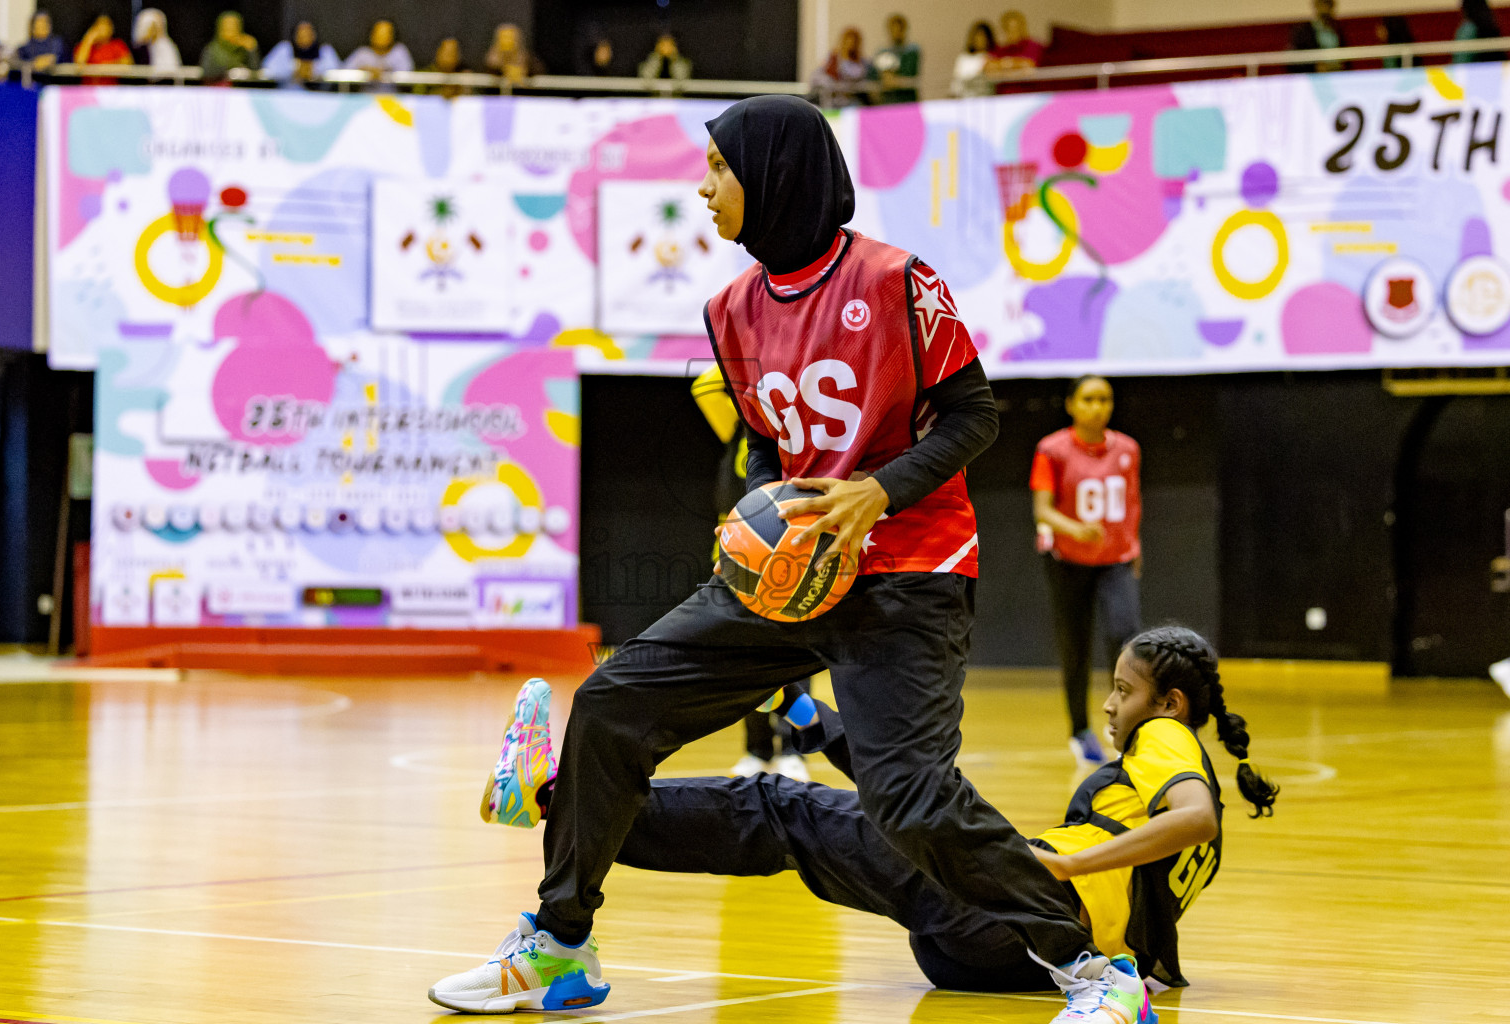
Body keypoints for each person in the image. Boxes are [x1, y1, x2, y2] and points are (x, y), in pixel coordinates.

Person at [428, 93, 1101, 1018]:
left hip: (909, 571)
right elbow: (762, 446)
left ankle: (1095, 971)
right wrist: (751, 512)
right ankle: (559, 946)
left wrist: (878, 490)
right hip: (783, 579)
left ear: (775, 173)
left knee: (905, 796)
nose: (703, 189)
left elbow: (975, 415)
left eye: (717, 169)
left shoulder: (900, 280)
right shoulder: (730, 310)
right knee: (613, 705)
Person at [482, 625, 1276, 1001]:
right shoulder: (1158, 764)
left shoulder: (1169, 737)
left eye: (1124, 690)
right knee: (910, 799)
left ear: (1169, 703)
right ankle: (801, 714)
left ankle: (555, 799)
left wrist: (1066, 865)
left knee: (783, 808)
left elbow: (1196, 816)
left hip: (1010, 917)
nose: (1110, 704)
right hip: (991, 950)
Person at [690, 364, 811, 784]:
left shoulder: (806, 432)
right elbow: (706, 383)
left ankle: (798, 749)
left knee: (797, 657)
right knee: (745, 655)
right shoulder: (737, 428)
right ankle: (756, 749)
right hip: (735, 553)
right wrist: (752, 352)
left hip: (794, 555)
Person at [1032, 376, 1143, 768]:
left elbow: (1132, 502)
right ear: (1071, 405)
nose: (1099, 406)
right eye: (1090, 399)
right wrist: (1074, 529)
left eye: (1106, 399)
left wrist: (1135, 545)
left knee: (1125, 637)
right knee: (1075, 647)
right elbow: (1042, 510)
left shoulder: (1128, 449)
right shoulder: (1052, 450)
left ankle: (1128, 726)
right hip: (1068, 561)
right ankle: (1080, 730)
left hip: (1115, 559)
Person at [263, 21, 338, 87]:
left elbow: (336, 72)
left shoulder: (325, 50)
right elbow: (266, 70)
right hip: (289, 94)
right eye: (301, 35)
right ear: (295, 36)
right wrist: (294, 69)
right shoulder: (285, 48)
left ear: (314, 36)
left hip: (320, 96)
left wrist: (313, 70)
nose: (304, 38)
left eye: (308, 34)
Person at [811, 26, 868, 108]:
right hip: (832, 99)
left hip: (850, 101)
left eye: (853, 42)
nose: (850, 44)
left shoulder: (861, 62)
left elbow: (856, 76)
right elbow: (817, 76)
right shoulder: (832, 58)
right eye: (848, 41)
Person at [872, 13, 920, 104]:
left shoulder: (912, 50)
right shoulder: (883, 52)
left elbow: (910, 75)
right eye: (893, 29)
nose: (896, 32)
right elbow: (887, 81)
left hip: (908, 100)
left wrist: (897, 81)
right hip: (889, 100)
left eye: (899, 29)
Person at [198, 12, 259, 84]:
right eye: (227, 27)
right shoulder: (212, 49)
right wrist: (231, 69)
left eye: (234, 26)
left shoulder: (243, 48)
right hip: (217, 91)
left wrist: (251, 49)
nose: (231, 30)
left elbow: (256, 70)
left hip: (242, 91)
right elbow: (207, 72)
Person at [344, 18, 412, 81]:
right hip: (365, 93)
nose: (382, 37)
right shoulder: (363, 53)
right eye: (379, 33)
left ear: (393, 36)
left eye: (386, 33)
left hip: (392, 93)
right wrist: (362, 70)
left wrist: (384, 71)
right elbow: (344, 72)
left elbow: (409, 75)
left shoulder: (399, 52)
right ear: (371, 35)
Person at [1290, 0, 1347, 73]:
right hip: (1314, 75)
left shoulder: (1337, 29)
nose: (1324, 9)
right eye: (1321, 5)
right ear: (1316, 7)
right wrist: (1314, 66)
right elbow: (1299, 56)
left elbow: (1344, 53)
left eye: (1327, 5)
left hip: (1337, 72)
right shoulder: (1304, 31)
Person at [74, 14, 132, 83]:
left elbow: (128, 64)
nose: (104, 29)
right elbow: (79, 63)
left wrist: (105, 67)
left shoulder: (117, 45)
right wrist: (89, 39)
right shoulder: (84, 45)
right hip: (88, 90)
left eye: (107, 25)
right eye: (100, 25)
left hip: (110, 90)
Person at [951, 21, 997, 97]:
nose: (979, 40)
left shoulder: (992, 58)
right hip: (964, 98)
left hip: (986, 97)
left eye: (983, 37)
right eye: (977, 37)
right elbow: (957, 82)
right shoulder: (963, 58)